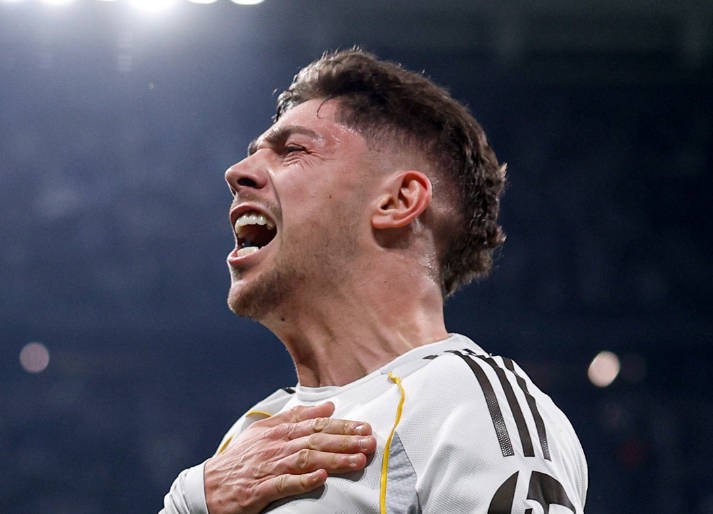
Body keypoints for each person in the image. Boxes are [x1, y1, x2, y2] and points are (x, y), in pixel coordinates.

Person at [160, 48, 587, 514]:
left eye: (293, 151)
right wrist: (191, 499)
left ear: (397, 201)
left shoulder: (466, 404)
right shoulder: (251, 436)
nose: (236, 173)